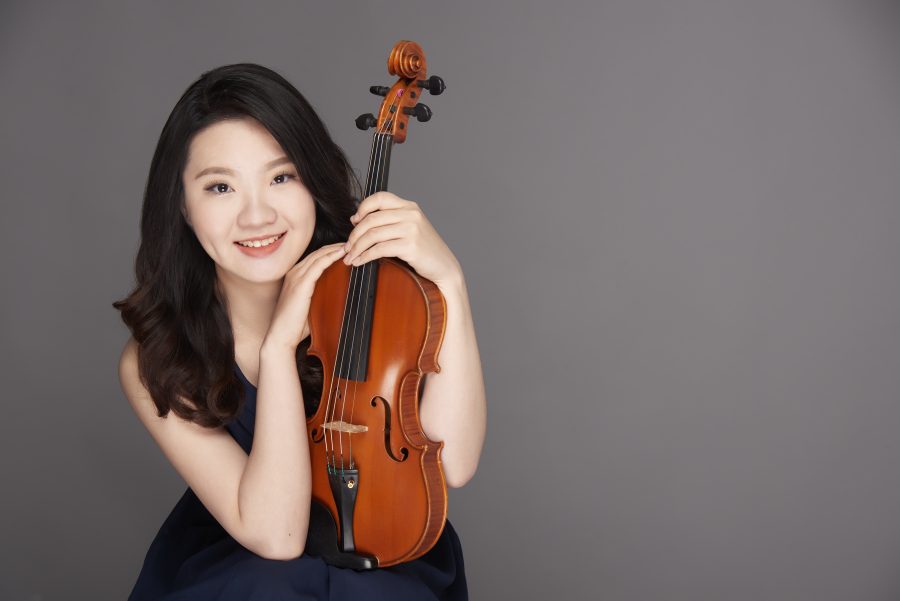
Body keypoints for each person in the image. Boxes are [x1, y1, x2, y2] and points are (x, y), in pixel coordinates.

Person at [114, 63, 487, 600]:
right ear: (183, 207)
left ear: (314, 179)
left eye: (281, 177)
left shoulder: (383, 294)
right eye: (220, 187)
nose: (256, 216)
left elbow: (454, 464)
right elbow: (278, 536)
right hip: (249, 546)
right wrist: (278, 348)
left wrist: (449, 280)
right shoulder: (159, 356)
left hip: (383, 534)